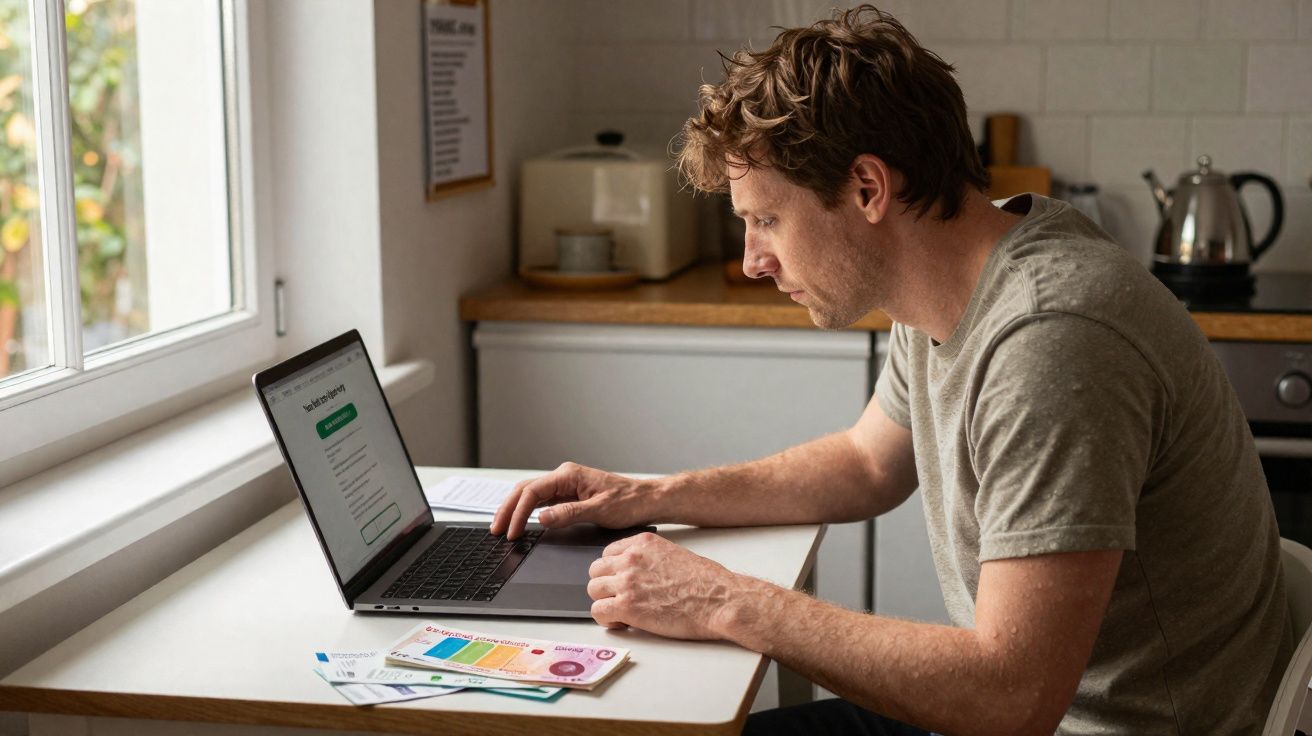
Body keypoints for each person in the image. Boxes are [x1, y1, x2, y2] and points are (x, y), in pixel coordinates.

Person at [490, 6, 1292, 734]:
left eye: (767, 219)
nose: (754, 259)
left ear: (868, 188)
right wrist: (647, 496)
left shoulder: (1050, 339)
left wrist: (723, 600)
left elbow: (1012, 696)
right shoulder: (951, 277)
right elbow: (867, 462)